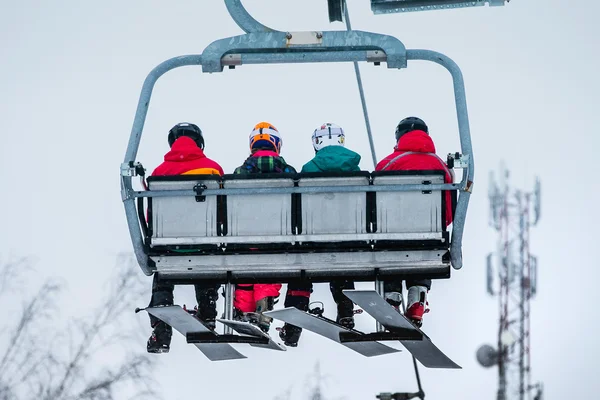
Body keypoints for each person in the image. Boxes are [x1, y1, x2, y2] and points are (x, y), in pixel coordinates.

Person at [279, 123, 360, 347]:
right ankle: (346, 312)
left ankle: (293, 323)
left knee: (302, 270)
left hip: (314, 239)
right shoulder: (356, 170)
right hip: (348, 238)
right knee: (342, 265)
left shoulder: (308, 170)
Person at [146, 122, 225, 353]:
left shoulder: (159, 173)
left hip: (169, 246)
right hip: (204, 244)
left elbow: (152, 214)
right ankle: (208, 311)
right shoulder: (213, 169)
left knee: (163, 272)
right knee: (205, 258)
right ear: (199, 142)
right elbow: (222, 209)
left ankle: (161, 329)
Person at [375, 116, 454, 327]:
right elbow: (449, 206)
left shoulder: (388, 164)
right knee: (422, 247)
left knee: (391, 249)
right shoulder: (441, 166)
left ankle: (392, 296)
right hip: (429, 235)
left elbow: (374, 203)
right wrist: (439, 225)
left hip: (392, 235)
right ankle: (417, 298)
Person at [232, 122, 297, 333]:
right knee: (269, 269)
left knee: (244, 275)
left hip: (245, 238)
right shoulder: (289, 173)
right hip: (276, 238)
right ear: (277, 145)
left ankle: (243, 311)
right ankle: (264, 308)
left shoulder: (239, 173)